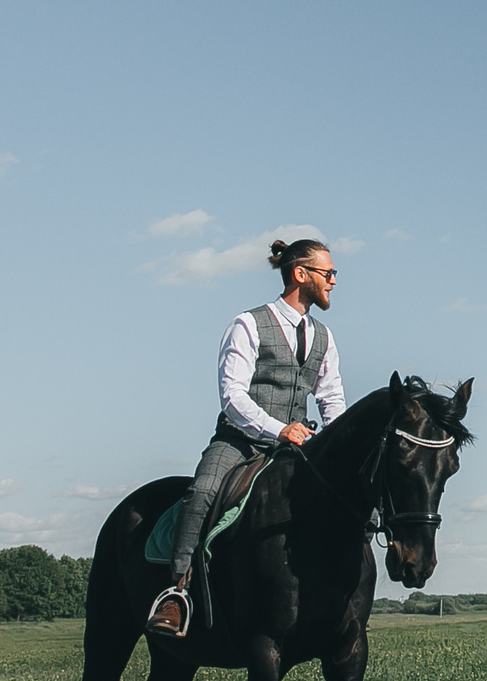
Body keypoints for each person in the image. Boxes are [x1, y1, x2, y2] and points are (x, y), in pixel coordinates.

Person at [148, 237, 345, 636]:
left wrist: (335, 443)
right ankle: (177, 591)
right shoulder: (249, 324)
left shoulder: (324, 336)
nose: (334, 282)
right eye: (329, 273)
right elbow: (232, 396)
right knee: (202, 491)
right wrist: (279, 429)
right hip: (240, 441)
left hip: (299, 445)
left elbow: (332, 397)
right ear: (300, 274)